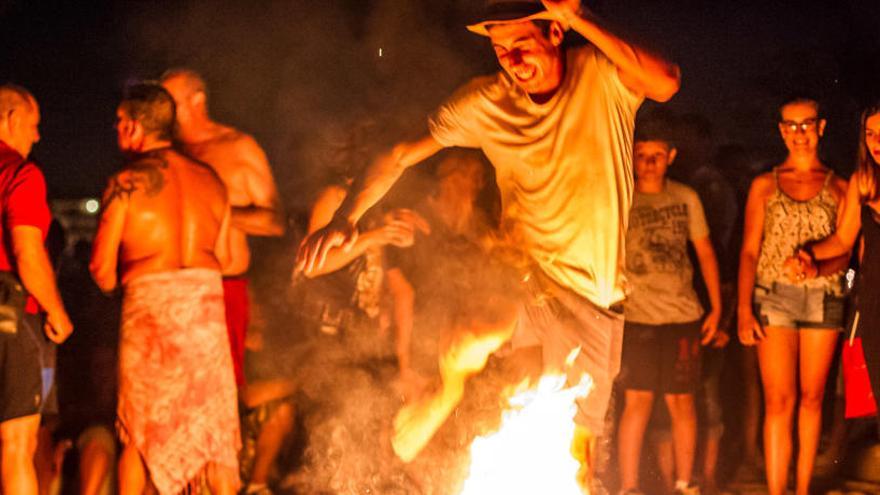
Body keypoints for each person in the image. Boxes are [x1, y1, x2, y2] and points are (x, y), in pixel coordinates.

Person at [297, 0, 680, 484]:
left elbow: (666, 81)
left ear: (556, 34)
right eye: (501, 50)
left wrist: (579, 15)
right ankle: (448, 391)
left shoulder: (603, 76)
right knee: (474, 337)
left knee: (572, 447)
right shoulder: (486, 101)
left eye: (522, 44)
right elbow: (397, 155)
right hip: (522, 275)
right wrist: (345, 217)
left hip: (590, 296)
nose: (512, 61)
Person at [89, 83, 239, 495]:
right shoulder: (212, 181)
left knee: (138, 434)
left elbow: (101, 270)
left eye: (120, 123)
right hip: (206, 314)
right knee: (214, 436)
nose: (118, 131)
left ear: (135, 127)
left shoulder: (126, 182)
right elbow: (226, 259)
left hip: (150, 312)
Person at [737, 97, 849, 495]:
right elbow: (750, 249)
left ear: (821, 127)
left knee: (812, 398)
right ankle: (775, 490)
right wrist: (743, 310)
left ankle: (801, 489)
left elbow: (846, 252)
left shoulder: (839, 187)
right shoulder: (765, 185)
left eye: (807, 124)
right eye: (791, 126)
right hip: (775, 297)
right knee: (778, 400)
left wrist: (819, 268)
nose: (799, 134)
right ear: (781, 130)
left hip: (823, 299)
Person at [160, 69, 285, 389]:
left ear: (197, 101)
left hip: (222, 287)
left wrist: (217, 212)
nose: (162, 109)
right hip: (171, 290)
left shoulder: (237, 148)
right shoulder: (165, 153)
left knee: (219, 388)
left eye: (170, 101)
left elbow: (274, 222)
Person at [616, 125, 721, 495]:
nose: (648, 163)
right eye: (642, 154)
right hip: (637, 318)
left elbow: (705, 252)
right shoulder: (621, 196)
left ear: (670, 157)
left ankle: (683, 483)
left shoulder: (685, 197)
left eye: (657, 155)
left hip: (682, 317)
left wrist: (716, 307)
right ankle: (629, 487)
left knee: (682, 401)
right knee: (637, 401)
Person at [788, 100, 880, 435]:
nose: (876, 143)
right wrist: (808, 256)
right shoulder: (864, 181)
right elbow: (843, 241)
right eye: (870, 134)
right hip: (875, 305)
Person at [0, 84, 73, 495]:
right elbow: (27, 252)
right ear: (10, 119)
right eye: (33, 124)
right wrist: (57, 312)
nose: (37, 136)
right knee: (16, 442)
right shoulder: (19, 172)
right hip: (9, 313)